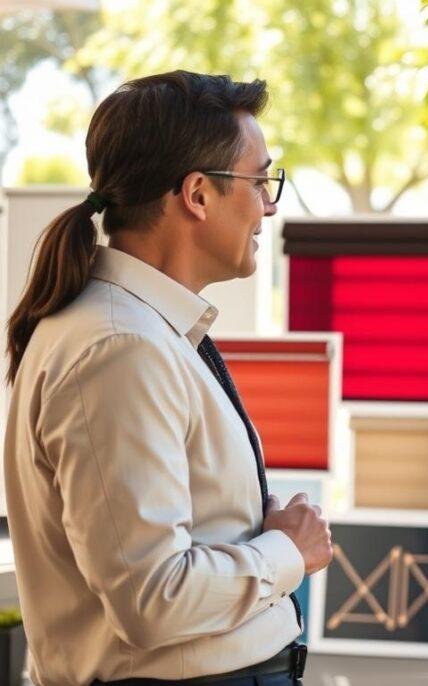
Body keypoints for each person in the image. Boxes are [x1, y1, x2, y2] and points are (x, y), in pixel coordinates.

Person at [3, 71, 333, 685]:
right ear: (198, 194)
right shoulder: (120, 348)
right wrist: (290, 551)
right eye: (260, 180)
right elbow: (152, 599)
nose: (270, 203)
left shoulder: (142, 332)